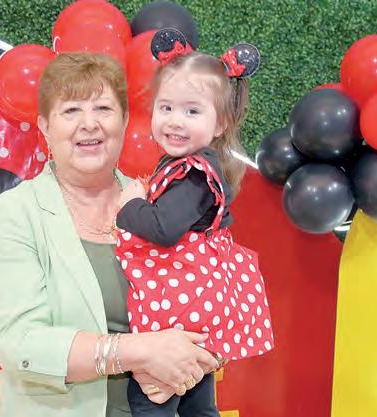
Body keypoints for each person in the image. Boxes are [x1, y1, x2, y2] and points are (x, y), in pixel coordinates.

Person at [0, 52, 218, 417]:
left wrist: (199, 358)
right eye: (71, 111)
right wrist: (138, 352)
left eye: (103, 108)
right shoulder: (17, 213)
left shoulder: (161, 203)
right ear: (45, 127)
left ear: (125, 120)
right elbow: (19, 343)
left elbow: (211, 305)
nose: (89, 124)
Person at [115, 30, 275, 417]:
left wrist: (129, 206)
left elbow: (164, 229)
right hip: (198, 304)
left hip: (178, 307)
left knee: (152, 395)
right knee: (197, 400)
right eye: (166, 108)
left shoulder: (193, 173)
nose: (175, 121)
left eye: (192, 111)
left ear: (220, 124)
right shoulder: (191, 166)